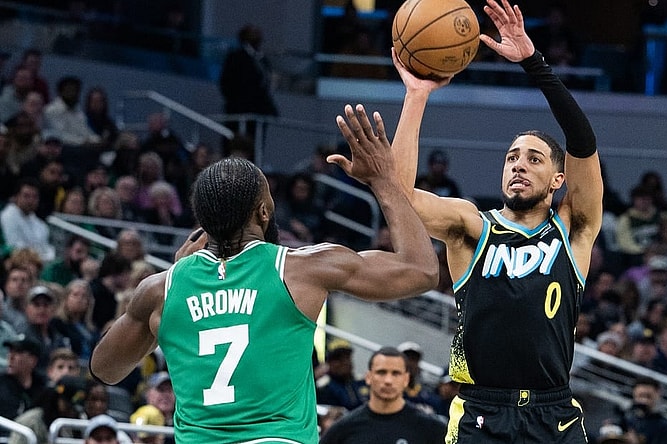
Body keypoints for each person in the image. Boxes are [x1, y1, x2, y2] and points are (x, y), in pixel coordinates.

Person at [89, 103, 439, 443]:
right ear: (264, 212)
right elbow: (420, 270)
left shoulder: (161, 289)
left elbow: (105, 369)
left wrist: (175, 286)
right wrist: (384, 180)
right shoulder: (302, 268)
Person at [389, 0, 603, 441]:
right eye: (511, 157)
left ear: (558, 179)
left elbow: (582, 140)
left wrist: (532, 61)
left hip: (554, 412)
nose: (518, 165)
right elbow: (399, 194)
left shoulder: (573, 227)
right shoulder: (470, 225)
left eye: (534, 158)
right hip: (481, 411)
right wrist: (416, 97)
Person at [319, 346, 446, 444]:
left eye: (395, 373)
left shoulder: (431, 429)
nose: (388, 381)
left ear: (406, 379)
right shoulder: (343, 430)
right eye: (381, 372)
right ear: (368, 377)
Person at [219, 23, 279, 138]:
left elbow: (265, 82)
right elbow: (226, 83)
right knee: (239, 141)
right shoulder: (236, 57)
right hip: (240, 111)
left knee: (255, 143)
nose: (258, 36)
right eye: (253, 33)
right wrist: (237, 103)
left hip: (259, 111)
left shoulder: (262, 59)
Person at [0, 177, 56, 262]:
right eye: (26, 196)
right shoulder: (6, 217)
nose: (30, 201)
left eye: (34, 197)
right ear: (16, 197)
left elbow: (47, 249)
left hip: (38, 263)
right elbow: (14, 247)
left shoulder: (40, 225)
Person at [617, 377, 667, 444]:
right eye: (640, 396)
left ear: (657, 394)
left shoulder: (664, 425)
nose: (644, 401)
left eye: (648, 396)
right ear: (634, 394)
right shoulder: (625, 418)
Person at [315, 338, 367, 411]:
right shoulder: (322, 387)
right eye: (338, 359)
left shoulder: (362, 382)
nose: (344, 362)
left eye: (347, 357)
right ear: (329, 362)